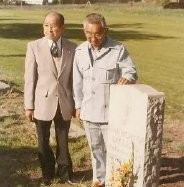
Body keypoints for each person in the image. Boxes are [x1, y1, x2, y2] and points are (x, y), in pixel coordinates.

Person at [73, 13, 138, 187]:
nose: (93, 38)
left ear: (106, 31)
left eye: (98, 34)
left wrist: (128, 78)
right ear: (83, 31)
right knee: (95, 149)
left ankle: (115, 181)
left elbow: (130, 70)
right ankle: (99, 179)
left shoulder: (118, 49)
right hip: (89, 111)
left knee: (115, 150)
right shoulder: (79, 51)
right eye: (89, 33)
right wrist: (78, 106)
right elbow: (77, 82)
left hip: (111, 113)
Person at [24, 11, 77, 186]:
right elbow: (30, 78)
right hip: (42, 102)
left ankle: (65, 173)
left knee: (63, 141)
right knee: (42, 142)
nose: (50, 29)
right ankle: (47, 173)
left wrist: (76, 104)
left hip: (64, 102)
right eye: (46, 25)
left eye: (54, 26)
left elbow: (75, 80)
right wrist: (29, 106)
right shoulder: (34, 46)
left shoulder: (72, 48)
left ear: (62, 28)